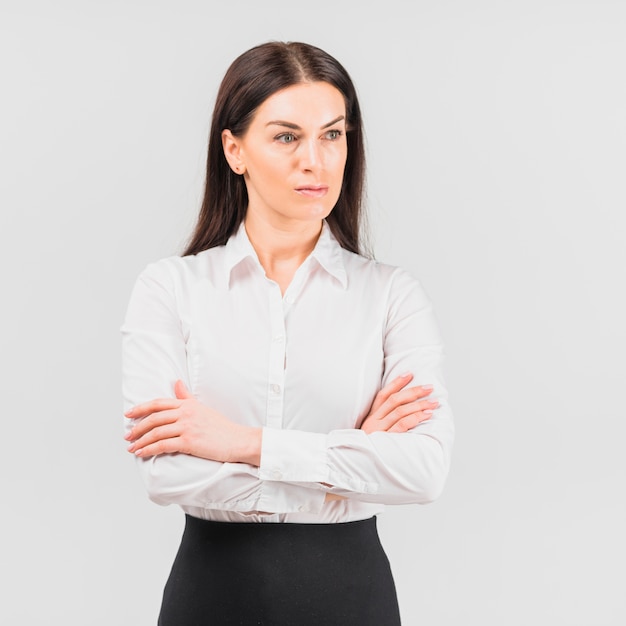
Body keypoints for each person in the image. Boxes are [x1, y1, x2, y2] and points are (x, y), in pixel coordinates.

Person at [122, 41, 454, 626]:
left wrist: (238, 443)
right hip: (212, 597)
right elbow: (165, 473)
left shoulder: (390, 296)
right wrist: (344, 463)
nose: (316, 161)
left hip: (351, 597)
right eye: (286, 136)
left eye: (333, 135)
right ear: (234, 149)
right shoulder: (171, 289)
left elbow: (423, 470)